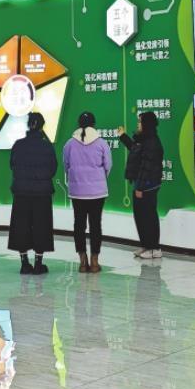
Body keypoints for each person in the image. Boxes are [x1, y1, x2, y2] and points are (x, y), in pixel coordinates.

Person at [63, 111, 112, 273]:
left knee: (79, 225)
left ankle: (83, 262)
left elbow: (66, 165)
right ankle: (95, 262)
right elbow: (108, 165)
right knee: (95, 225)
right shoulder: (101, 143)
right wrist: (99, 179)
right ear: (94, 124)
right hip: (97, 192)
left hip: (77, 191)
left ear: (78, 124)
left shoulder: (69, 144)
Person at [9, 112, 57, 274]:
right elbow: (53, 169)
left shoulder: (18, 145)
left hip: (21, 192)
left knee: (21, 226)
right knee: (41, 226)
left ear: (28, 125)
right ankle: (38, 264)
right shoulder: (47, 146)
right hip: (42, 193)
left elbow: (12, 165)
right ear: (42, 126)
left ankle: (24, 263)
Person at [118, 110, 164, 259]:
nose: (138, 124)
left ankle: (154, 248)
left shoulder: (151, 142)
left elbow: (146, 167)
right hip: (141, 184)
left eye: (140, 122)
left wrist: (140, 188)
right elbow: (135, 149)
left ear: (146, 124)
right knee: (140, 217)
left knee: (148, 217)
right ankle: (145, 245)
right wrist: (123, 137)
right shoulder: (143, 139)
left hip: (147, 186)